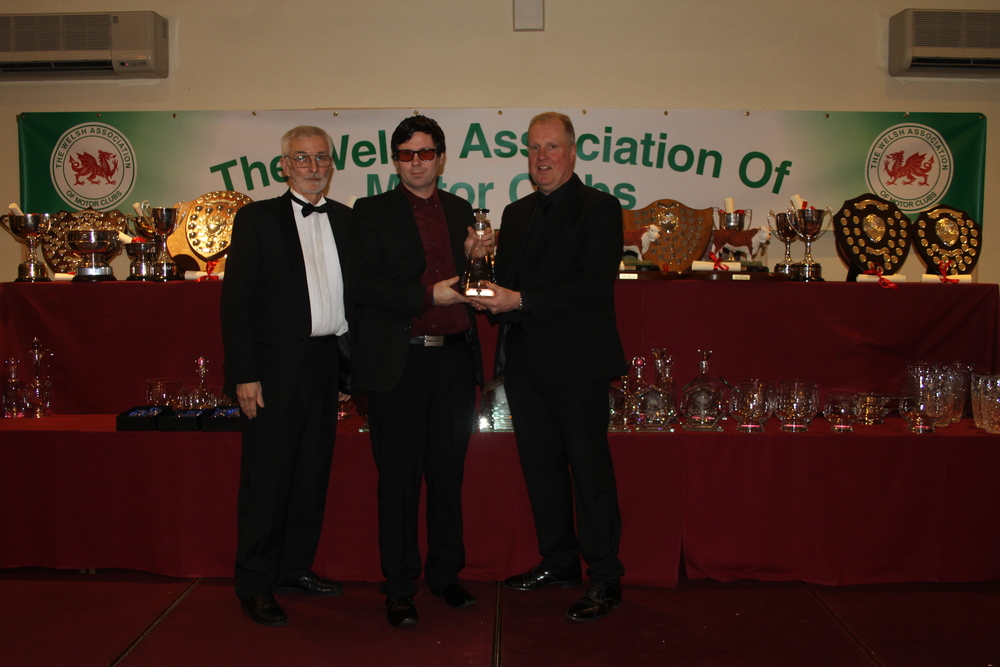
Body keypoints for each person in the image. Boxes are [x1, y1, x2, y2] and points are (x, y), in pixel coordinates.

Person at [471, 112, 627, 621]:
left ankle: (605, 576)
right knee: (541, 469)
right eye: (534, 148)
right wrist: (479, 265)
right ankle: (559, 562)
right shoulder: (515, 213)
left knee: (589, 471)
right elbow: (507, 285)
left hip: (578, 363)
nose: (542, 157)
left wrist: (518, 299)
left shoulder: (600, 207)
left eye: (552, 146)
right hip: (525, 363)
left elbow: (592, 283)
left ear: (573, 152)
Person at [350, 115, 490, 628]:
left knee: (448, 477)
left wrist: (478, 259)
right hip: (399, 364)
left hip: (453, 359)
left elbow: (476, 282)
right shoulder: (371, 212)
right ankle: (399, 586)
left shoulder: (460, 211)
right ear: (395, 160)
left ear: (441, 158)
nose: (417, 162)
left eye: (426, 153)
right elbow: (362, 285)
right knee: (400, 481)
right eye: (407, 154)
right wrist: (428, 295)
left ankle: (445, 575)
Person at [220, 125, 352, 627]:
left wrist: (351, 371)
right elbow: (236, 303)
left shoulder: (347, 219)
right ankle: (255, 582)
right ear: (284, 166)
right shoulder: (256, 219)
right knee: (266, 480)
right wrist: (244, 374)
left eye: (321, 158)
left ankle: (295, 568)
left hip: (327, 364)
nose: (313, 167)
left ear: (331, 164)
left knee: (311, 474)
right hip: (271, 372)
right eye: (302, 158)